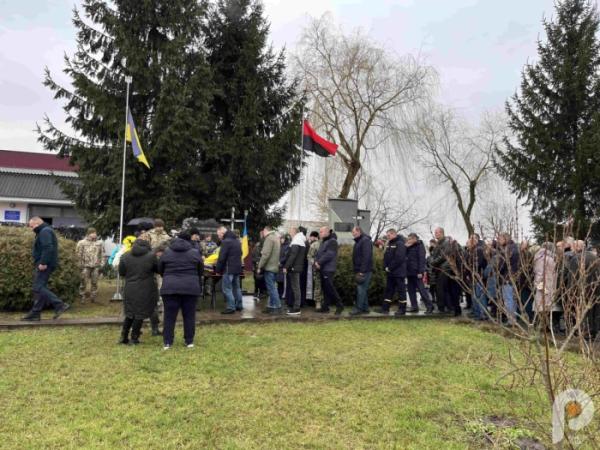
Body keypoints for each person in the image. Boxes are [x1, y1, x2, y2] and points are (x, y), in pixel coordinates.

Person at [157, 231, 203, 349]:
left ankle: (167, 341)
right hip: (190, 287)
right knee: (189, 315)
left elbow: (160, 269)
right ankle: (189, 341)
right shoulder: (195, 253)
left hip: (170, 287)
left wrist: (168, 277)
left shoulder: (167, 252)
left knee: (169, 316)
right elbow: (200, 270)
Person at [21, 217, 70, 321]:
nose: (31, 229)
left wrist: (43, 263)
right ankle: (35, 313)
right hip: (46, 263)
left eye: (32, 226)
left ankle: (60, 304)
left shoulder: (45, 231)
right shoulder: (44, 231)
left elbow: (48, 247)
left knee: (38, 287)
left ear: (37, 223)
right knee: (40, 288)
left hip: (45, 264)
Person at [118, 238, 159, 344]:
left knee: (130, 313)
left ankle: (123, 337)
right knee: (140, 313)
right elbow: (158, 269)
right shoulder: (151, 256)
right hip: (146, 288)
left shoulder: (125, 256)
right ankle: (134, 338)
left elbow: (122, 272)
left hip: (130, 287)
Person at [314, 227, 343, 315]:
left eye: (322, 232)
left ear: (327, 232)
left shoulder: (332, 241)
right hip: (323, 268)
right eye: (320, 232)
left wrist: (319, 262)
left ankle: (340, 305)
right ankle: (325, 306)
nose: (320, 233)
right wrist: (316, 263)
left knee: (330, 288)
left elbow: (329, 254)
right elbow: (321, 253)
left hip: (328, 269)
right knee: (326, 289)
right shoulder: (324, 241)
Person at [378, 228, 407, 316]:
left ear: (394, 234)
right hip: (390, 273)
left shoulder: (400, 243)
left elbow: (399, 258)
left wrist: (389, 267)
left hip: (399, 273)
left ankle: (402, 309)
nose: (388, 237)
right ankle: (385, 308)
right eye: (387, 235)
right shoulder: (389, 244)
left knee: (401, 291)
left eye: (389, 235)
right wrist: (385, 266)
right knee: (389, 290)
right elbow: (386, 256)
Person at [216, 226, 243, 314]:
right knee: (236, 287)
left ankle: (231, 307)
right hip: (237, 268)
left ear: (222, 233)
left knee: (226, 288)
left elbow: (222, 257)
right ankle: (239, 305)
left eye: (218, 235)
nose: (218, 237)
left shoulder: (226, 242)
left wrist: (218, 270)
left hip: (228, 268)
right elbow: (241, 253)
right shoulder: (237, 241)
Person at [405, 232, 434, 314]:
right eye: (408, 239)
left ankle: (429, 306)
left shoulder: (420, 246)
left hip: (417, 272)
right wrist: (406, 247)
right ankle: (414, 306)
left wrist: (420, 271)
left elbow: (422, 260)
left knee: (422, 290)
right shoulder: (408, 247)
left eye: (410, 239)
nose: (408, 241)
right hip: (409, 272)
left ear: (414, 239)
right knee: (411, 290)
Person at [257, 226, 282, 314]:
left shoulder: (269, 239)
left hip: (269, 267)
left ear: (265, 230)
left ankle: (277, 306)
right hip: (274, 266)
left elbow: (265, 254)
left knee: (271, 288)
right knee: (272, 287)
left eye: (263, 231)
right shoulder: (276, 238)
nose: (262, 233)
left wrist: (259, 266)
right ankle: (270, 306)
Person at [75, 227, 104, 303]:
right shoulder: (81, 243)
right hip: (85, 266)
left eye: (95, 233)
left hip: (96, 266)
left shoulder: (99, 243)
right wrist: (79, 265)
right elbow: (78, 254)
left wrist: (102, 264)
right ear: (88, 234)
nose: (95, 234)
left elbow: (102, 254)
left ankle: (93, 297)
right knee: (83, 282)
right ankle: (82, 297)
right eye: (93, 233)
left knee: (94, 282)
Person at [497, 232, 520, 324]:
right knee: (513, 299)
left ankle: (511, 320)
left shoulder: (507, 249)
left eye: (500, 239)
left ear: (505, 239)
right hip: (514, 277)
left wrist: (498, 271)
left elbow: (502, 265)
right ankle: (514, 319)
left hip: (507, 277)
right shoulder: (515, 248)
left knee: (508, 299)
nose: (498, 241)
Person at [284, 227, 307, 315]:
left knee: (296, 287)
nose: (289, 233)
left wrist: (286, 266)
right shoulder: (299, 239)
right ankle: (296, 306)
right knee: (296, 287)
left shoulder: (296, 240)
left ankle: (297, 308)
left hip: (294, 267)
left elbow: (293, 255)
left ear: (294, 232)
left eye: (290, 231)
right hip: (296, 267)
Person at [429, 227, 453, 314]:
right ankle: (446, 307)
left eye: (437, 232)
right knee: (442, 289)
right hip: (439, 268)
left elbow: (443, 256)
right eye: (435, 232)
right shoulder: (439, 243)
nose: (435, 234)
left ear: (442, 233)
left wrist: (433, 262)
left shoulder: (446, 242)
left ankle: (442, 308)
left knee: (441, 289)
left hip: (444, 268)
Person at [350, 226, 373, 315]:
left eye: (354, 232)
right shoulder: (359, 241)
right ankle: (365, 308)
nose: (353, 234)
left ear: (359, 231)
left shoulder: (365, 241)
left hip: (364, 270)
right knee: (363, 289)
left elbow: (366, 257)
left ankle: (358, 308)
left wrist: (362, 271)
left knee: (361, 289)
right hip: (360, 270)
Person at [306, 231, 322, 310]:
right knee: (318, 285)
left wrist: (315, 263)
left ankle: (320, 303)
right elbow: (309, 256)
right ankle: (318, 303)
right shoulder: (317, 244)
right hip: (319, 268)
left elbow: (309, 256)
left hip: (321, 268)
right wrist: (315, 263)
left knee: (320, 286)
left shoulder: (316, 244)